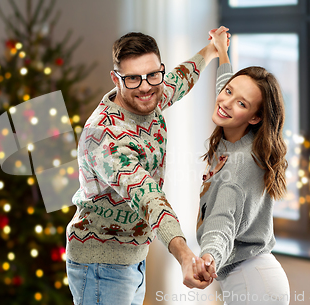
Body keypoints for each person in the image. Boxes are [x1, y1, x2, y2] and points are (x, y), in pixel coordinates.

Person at [66, 27, 230, 305]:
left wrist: (212, 50)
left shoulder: (148, 95)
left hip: (133, 257)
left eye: (153, 74)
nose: (145, 86)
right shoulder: (105, 136)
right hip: (99, 267)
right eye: (132, 78)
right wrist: (185, 255)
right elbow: (148, 197)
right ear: (116, 79)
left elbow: (179, 79)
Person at [193, 28, 291, 304]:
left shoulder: (236, 167)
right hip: (257, 275)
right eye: (228, 92)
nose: (225, 102)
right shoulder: (241, 135)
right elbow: (228, 86)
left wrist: (209, 257)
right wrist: (221, 51)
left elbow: (222, 222)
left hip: (251, 283)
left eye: (240, 103)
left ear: (255, 117)